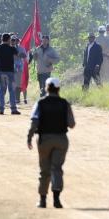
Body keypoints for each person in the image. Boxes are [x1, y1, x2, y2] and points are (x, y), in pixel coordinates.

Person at [27, 77, 75, 208]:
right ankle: (56, 200)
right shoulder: (65, 103)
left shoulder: (40, 103)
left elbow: (34, 121)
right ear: (58, 88)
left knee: (44, 170)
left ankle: (42, 200)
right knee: (57, 169)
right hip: (61, 139)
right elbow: (72, 124)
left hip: (44, 140)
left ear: (46, 88)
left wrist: (29, 137)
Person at [0, 33, 24, 115]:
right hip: (10, 72)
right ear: (8, 40)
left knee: (0, 91)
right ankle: (13, 109)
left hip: (0, 71)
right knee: (11, 90)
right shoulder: (12, 49)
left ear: (2, 39)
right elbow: (19, 55)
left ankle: (1, 109)